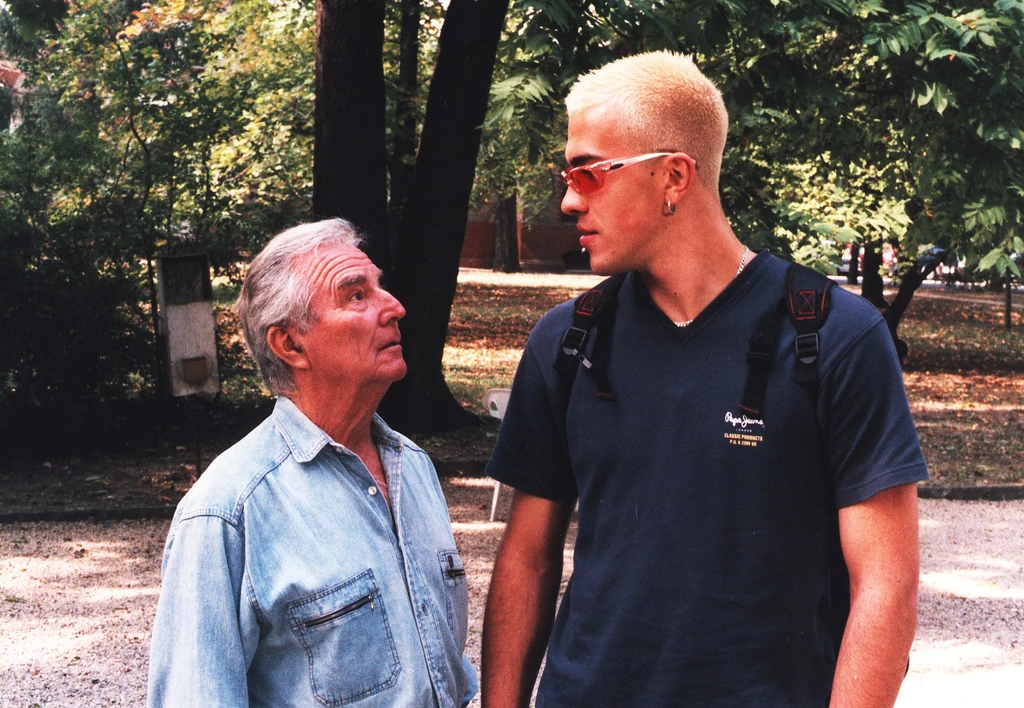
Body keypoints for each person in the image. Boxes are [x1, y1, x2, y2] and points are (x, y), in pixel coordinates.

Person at [482, 51, 926, 708]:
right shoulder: (565, 341)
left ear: (674, 177)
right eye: (566, 173)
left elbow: (885, 586)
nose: (570, 199)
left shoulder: (833, 337)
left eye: (589, 173)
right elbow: (528, 560)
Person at [148, 218, 476, 707]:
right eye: (356, 295)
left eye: (379, 287)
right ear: (290, 344)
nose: (395, 307)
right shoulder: (228, 512)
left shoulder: (414, 466)